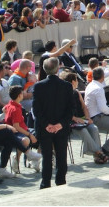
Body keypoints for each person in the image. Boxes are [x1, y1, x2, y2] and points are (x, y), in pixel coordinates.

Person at [32, 58, 74, 189]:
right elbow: (71, 109)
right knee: (61, 155)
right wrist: (60, 124)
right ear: (57, 69)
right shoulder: (67, 86)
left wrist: (47, 125)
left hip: (45, 128)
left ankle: (45, 182)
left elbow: (36, 109)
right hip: (61, 127)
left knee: (47, 156)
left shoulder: (38, 86)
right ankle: (61, 180)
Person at [60, 72, 109, 164]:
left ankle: (96, 156)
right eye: (76, 80)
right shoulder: (63, 94)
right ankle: (99, 153)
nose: (77, 82)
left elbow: (84, 106)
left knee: (94, 128)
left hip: (82, 119)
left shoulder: (76, 92)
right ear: (73, 81)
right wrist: (75, 118)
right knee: (83, 131)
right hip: (70, 122)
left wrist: (87, 118)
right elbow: (63, 111)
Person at [4, 86, 40, 173]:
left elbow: (4, 109)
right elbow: (16, 126)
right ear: (19, 95)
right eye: (22, 93)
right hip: (18, 131)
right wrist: (29, 134)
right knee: (29, 139)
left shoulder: (11, 104)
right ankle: (19, 158)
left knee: (41, 135)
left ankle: (35, 160)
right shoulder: (15, 109)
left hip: (22, 129)